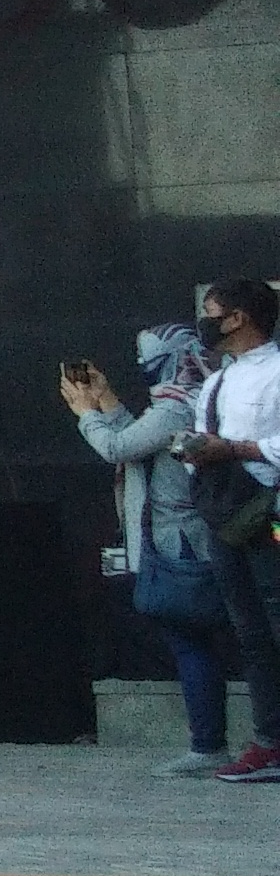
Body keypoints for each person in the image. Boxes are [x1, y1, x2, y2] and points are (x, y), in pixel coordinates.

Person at [70, 326, 273, 777]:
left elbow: (117, 447)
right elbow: (143, 444)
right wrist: (108, 403)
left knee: (193, 639)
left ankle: (210, 744)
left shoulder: (177, 407)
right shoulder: (201, 397)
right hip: (198, 533)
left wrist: (86, 413)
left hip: (186, 538)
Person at [168, 278, 280, 780]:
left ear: (238, 317)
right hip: (225, 515)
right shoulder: (218, 380)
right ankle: (269, 738)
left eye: (212, 312)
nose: (206, 321)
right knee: (251, 631)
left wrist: (235, 450)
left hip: (271, 514)